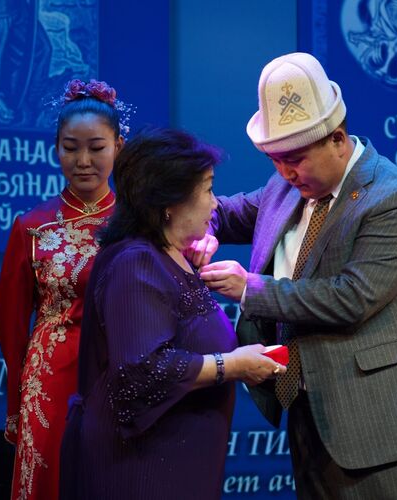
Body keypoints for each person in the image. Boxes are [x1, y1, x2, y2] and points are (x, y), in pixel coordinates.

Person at [199, 52, 397, 498]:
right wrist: (201, 230)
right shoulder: (285, 187)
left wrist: (250, 288)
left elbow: (351, 298)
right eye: (275, 159)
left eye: (296, 158)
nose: (285, 172)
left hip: (379, 425)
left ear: (338, 139)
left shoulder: (395, 198)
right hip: (310, 412)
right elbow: (226, 213)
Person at [58, 128, 284, 500]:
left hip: (178, 459)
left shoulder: (174, 254)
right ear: (170, 203)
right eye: (208, 190)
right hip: (139, 468)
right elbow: (143, 370)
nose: (215, 205)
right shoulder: (135, 263)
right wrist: (233, 365)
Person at [0, 78, 127, 500]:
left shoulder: (137, 224)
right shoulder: (32, 227)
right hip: (51, 375)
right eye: (71, 148)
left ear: (118, 147)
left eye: (97, 148)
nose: (83, 161)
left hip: (122, 369)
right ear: (56, 149)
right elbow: (11, 326)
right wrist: (16, 402)